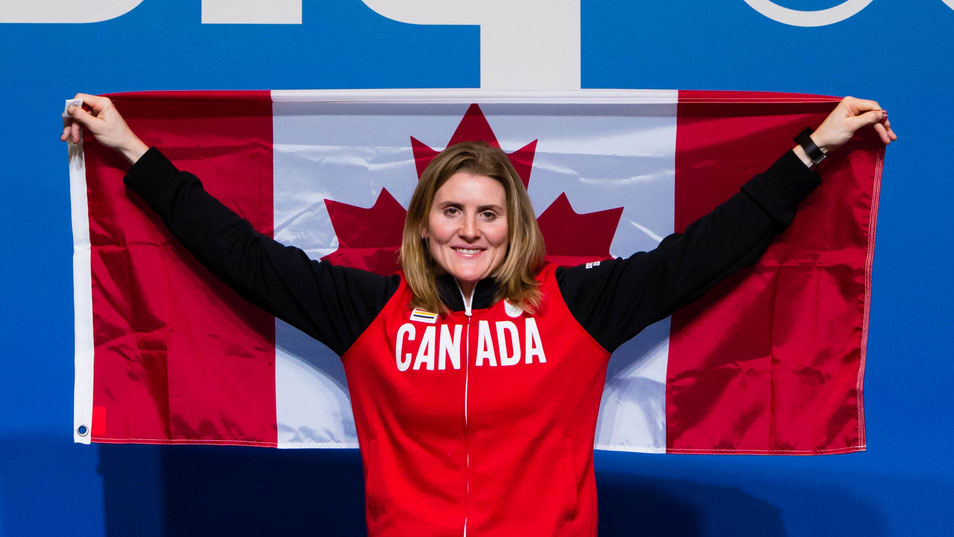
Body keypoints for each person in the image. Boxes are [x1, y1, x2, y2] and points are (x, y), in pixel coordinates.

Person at [62, 93, 895, 537]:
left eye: (489, 213)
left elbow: (710, 249)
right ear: (425, 222)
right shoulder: (368, 312)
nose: (470, 229)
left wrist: (809, 152)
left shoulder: (580, 306)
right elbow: (237, 253)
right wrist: (134, 152)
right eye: (452, 211)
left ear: (516, 224)